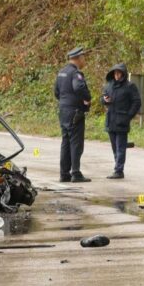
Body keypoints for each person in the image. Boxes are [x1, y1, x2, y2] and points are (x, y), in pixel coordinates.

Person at [54, 46, 92, 183]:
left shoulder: (61, 72)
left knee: (65, 142)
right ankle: (75, 173)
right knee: (76, 143)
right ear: (79, 58)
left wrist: (65, 101)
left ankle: (64, 174)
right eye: (83, 57)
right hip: (75, 112)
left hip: (63, 111)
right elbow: (78, 87)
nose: (84, 60)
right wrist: (87, 98)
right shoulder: (76, 74)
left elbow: (56, 92)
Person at [100, 63, 141, 179]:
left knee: (120, 147)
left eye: (119, 73)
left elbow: (137, 102)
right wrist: (104, 100)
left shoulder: (130, 86)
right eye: (115, 73)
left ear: (123, 74)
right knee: (114, 147)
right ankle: (118, 167)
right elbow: (102, 99)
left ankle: (118, 170)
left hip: (122, 120)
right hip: (110, 120)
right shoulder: (108, 85)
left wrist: (128, 116)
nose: (117, 75)